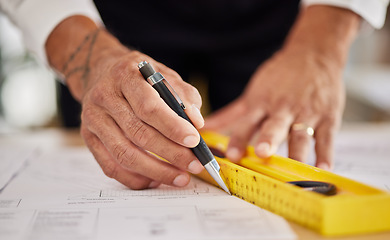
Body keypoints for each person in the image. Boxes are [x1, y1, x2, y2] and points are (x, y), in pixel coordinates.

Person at [0, 0, 388, 190]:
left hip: (279, 20)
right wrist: (88, 56)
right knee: (126, 135)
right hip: (113, 19)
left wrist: (320, 47)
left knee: (272, 142)